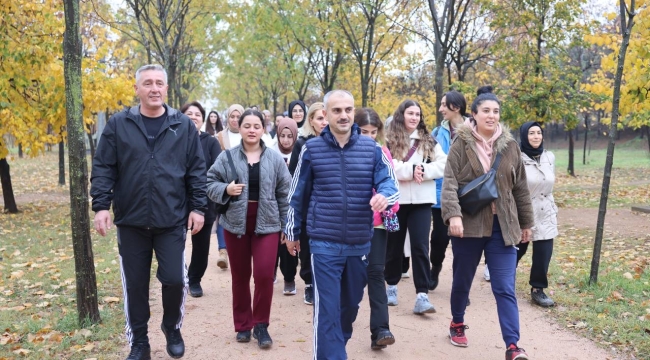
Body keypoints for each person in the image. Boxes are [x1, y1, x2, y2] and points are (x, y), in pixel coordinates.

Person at [90, 64, 206, 360]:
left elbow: (196, 170)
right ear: (137, 89)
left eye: (159, 83)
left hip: (171, 219)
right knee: (136, 285)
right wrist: (101, 205)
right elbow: (103, 167)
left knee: (174, 279)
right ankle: (139, 342)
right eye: (147, 83)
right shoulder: (118, 124)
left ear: (167, 89)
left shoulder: (183, 125)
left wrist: (198, 207)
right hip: (131, 220)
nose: (154, 88)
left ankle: (171, 326)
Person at [285, 90, 399, 360]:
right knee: (327, 310)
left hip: (360, 243)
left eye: (348, 109)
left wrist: (383, 195)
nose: (344, 115)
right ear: (325, 114)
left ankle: (333, 348)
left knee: (348, 308)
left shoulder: (371, 149)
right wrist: (291, 231)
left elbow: (390, 184)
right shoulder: (312, 150)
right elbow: (296, 194)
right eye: (337, 110)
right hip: (323, 243)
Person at [441, 86, 534, 360]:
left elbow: (521, 188)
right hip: (469, 224)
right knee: (462, 280)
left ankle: (513, 346)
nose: (491, 116)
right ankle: (457, 321)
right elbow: (449, 183)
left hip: (502, 226)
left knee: (505, 287)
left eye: (495, 111)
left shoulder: (511, 146)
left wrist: (526, 223)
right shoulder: (462, 143)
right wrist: (453, 215)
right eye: (486, 111)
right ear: (474, 114)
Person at [206, 109, 291, 349]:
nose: (252, 130)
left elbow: (284, 193)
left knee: (264, 274)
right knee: (240, 276)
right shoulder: (227, 157)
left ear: (264, 129)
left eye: (257, 126)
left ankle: (261, 324)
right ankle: (243, 325)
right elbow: (209, 182)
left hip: (268, 223)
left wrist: (286, 225)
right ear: (239, 128)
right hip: (235, 224)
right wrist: (226, 190)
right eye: (247, 126)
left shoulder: (274, 158)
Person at [384, 99, 447, 314]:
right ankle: (391, 286)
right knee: (394, 245)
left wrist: (423, 170)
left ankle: (422, 294)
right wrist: (411, 172)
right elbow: (388, 164)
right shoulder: (390, 139)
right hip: (396, 201)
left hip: (422, 201)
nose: (414, 117)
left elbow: (443, 164)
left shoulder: (428, 140)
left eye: (417, 114)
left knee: (421, 247)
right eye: (410, 113)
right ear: (401, 115)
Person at [354, 107, 399, 350]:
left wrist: (385, 201)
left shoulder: (382, 153)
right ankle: (341, 325)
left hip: (377, 226)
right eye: (363, 131)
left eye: (373, 132)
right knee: (351, 278)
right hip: (349, 227)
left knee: (375, 274)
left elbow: (393, 191)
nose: (368, 137)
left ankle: (381, 330)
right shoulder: (346, 153)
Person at [286, 101, 326, 303]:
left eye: (326, 117)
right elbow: (294, 176)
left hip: (327, 205)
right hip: (308, 204)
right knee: (307, 246)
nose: (324, 122)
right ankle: (309, 284)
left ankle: (323, 284)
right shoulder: (302, 144)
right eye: (320, 118)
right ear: (311, 120)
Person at [180, 101, 221, 298]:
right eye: (189, 113)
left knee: (201, 245)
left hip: (204, 201)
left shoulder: (210, 142)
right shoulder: (173, 140)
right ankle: (178, 278)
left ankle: (194, 279)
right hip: (176, 201)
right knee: (174, 243)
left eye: (197, 114)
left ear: (202, 120)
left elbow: (216, 171)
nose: (193, 117)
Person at [429, 91, 468, 290]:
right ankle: (435, 267)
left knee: (464, 244)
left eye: (444, 105)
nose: (440, 109)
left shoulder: (473, 129)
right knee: (439, 239)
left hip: (468, 196)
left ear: (456, 107)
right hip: (441, 195)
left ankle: (461, 285)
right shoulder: (436, 133)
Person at [517, 121, 558, 308]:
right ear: (525, 136)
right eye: (531, 133)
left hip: (546, 210)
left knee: (544, 252)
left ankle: (538, 289)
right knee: (518, 249)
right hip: (524, 209)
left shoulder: (549, 157)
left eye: (539, 133)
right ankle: (503, 278)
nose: (535, 136)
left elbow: (549, 181)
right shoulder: (517, 157)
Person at [215, 104, 245, 269]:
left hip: (244, 180)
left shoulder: (248, 132)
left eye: (238, 116)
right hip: (225, 180)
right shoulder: (220, 136)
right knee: (223, 213)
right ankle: (223, 251)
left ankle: (240, 250)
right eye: (232, 116)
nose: (234, 120)